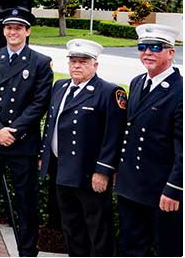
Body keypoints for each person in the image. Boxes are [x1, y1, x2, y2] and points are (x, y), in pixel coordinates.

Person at [0, 8, 53, 257]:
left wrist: (13, 131)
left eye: (18, 28)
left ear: (27, 31)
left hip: (22, 142)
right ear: (3, 31)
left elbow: (40, 103)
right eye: (9, 28)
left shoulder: (40, 62)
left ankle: (28, 247)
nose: (13, 32)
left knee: (26, 199)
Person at [37, 38, 125, 256]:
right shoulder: (60, 87)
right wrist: (44, 155)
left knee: (97, 227)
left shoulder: (109, 92)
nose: (76, 65)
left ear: (95, 65)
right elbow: (51, 124)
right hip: (60, 169)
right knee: (70, 224)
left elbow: (114, 136)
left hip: (89, 174)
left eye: (83, 61)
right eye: (73, 61)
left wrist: (103, 171)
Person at [115, 24, 182, 257]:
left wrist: (174, 189)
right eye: (142, 47)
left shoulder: (179, 91)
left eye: (156, 47)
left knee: (168, 249)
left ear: (171, 52)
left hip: (162, 191)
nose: (148, 52)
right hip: (131, 186)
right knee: (131, 247)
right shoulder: (137, 82)